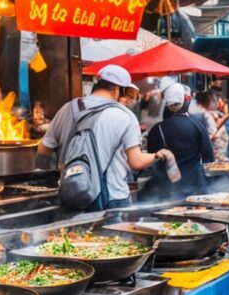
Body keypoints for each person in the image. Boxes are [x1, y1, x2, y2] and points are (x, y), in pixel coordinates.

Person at [38, 65, 174, 211]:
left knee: (73, 234)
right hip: (111, 199)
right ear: (116, 90)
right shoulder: (125, 116)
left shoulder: (67, 108)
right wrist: (159, 155)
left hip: (72, 195)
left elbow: (43, 149)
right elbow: (136, 162)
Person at [142, 83, 213, 200]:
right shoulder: (197, 125)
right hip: (197, 187)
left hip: (168, 189)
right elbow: (209, 159)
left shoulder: (157, 129)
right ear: (186, 101)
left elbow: (153, 162)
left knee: (170, 218)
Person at [192, 90, 229, 160]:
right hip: (215, 151)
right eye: (214, 101)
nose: (217, 103)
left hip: (216, 151)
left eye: (217, 100)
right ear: (207, 101)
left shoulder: (212, 114)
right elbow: (212, 134)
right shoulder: (207, 115)